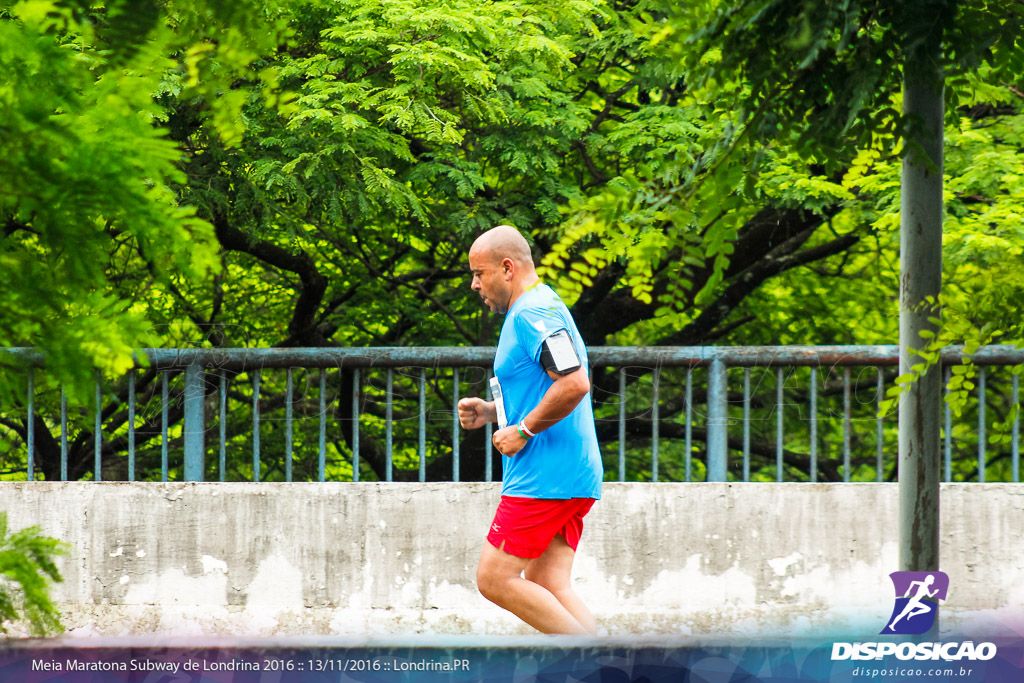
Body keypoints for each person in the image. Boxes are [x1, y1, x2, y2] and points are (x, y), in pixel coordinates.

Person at [457, 225, 603, 635]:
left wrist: (522, 430)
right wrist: (491, 412)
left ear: (507, 268)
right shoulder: (537, 308)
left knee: (494, 579)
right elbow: (546, 384)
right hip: (569, 472)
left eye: (478, 273)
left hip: (544, 477)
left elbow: (573, 383)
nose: (474, 284)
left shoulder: (534, 313)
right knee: (547, 584)